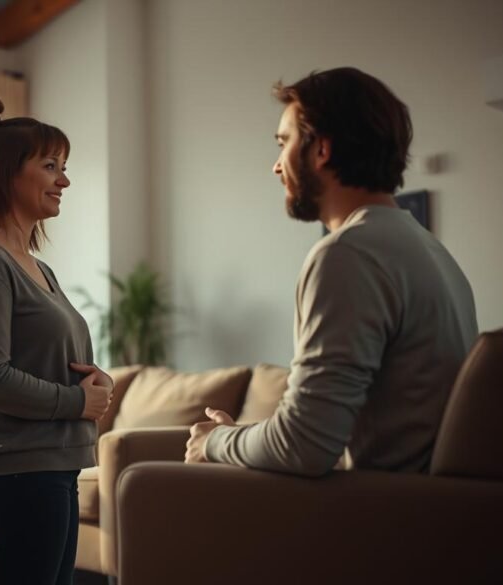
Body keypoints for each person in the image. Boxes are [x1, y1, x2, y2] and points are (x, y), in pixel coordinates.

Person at [186, 67, 478, 476]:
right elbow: (315, 434)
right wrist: (240, 439)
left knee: (151, 484)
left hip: (379, 507)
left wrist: (214, 441)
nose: (276, 166)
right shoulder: (432, 252)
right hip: (422, 501)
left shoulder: (347, 255)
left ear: (321, 149)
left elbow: (304, 445)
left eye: (284, 143)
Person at [0, 95, 113, 585]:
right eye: (50, 166)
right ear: (7, 174)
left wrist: (96, 381)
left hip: (50, 467)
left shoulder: (37, 267)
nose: (64, 181)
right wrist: (77, 402)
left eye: (64, 168)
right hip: (15, 472)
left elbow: (46, 355)